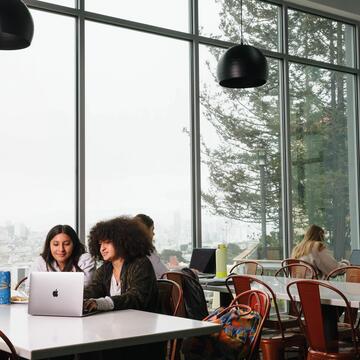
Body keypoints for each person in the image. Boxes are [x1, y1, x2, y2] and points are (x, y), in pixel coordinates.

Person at [82, 216, 162, 359]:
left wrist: (100, 303)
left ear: (122, 241)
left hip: (141, 338)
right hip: (115, 334)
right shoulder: (105, 269)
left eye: (107, 243)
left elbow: (135, 298)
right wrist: (71, 295)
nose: (102, 248)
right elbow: (93, 290)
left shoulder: (140, 264)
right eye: (100, 244)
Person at [28, 224, 95, 287]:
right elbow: (30, 287)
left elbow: (84, 287)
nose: (61, 249)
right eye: (56, 244)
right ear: (49, 246)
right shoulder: (40, 261)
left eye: (66, 244)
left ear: (74, 244)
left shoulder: (85, 260)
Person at [134, 213, 168, 278]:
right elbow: (165, 274)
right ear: (145, 231)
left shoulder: (125, 252)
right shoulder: (148, 252)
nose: (153, 233)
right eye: (152, 229)